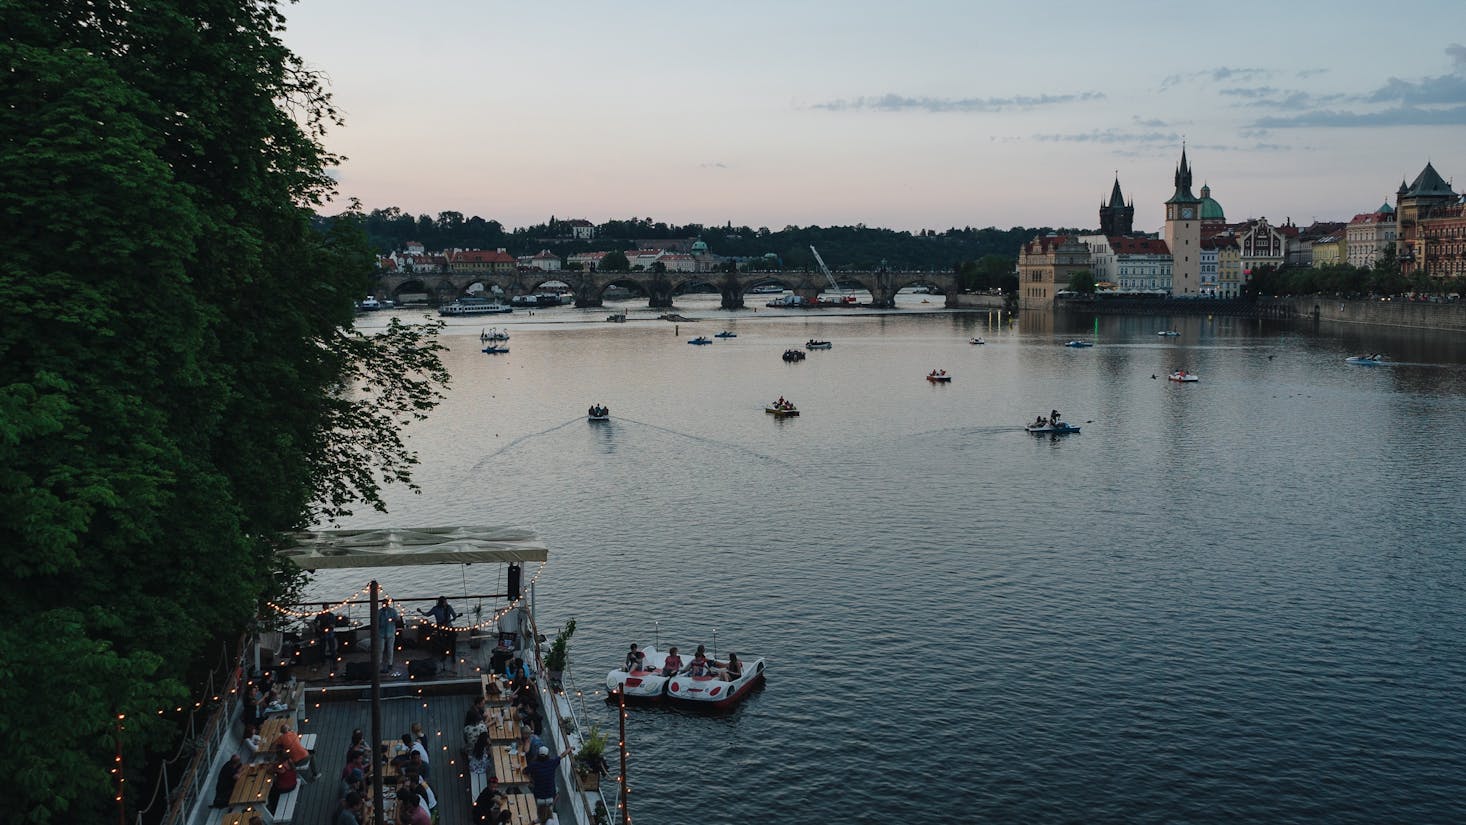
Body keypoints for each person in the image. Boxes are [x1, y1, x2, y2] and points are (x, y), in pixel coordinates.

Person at [526, 745, 574, 824]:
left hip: (538, 796)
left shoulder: (534, 765)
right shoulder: (552, 763)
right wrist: (569, 749)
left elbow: (525, 772)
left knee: (541, 813)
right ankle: (551, 808)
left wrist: (532, 781)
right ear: (548, 755)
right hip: (550, 796)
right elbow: (562, 755)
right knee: (557, 791)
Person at [419, 596, 459, 672]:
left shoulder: (449, 607)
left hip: (449, 627)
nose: (446, 603)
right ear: (442, 602)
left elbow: (454, 615)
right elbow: (427, 614)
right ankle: (444, 656)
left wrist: (454, 618)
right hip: (441, 628)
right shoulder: (435, 609)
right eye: (445, 602)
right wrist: (421, 612)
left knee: (453, 641)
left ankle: (453, 657)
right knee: (443, 643)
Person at [268, 744, 299, 811]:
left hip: (288, 787)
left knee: (271, 793)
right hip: (294, 782)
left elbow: (270, 771)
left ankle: (274, 809)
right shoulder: (289, 760)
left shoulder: (281, 767)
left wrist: (271, 764)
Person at [379, 597, 400, 672]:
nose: (384, 605)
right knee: (380, 649)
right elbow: (377, 622)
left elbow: (397, 619)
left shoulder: (392, 611)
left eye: (386, 604)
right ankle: (379, 663)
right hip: (381, 633)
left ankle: (390, 664)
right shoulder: (379, 612)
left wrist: (393, 619)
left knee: (390, 649)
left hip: (390, 632)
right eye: (383, 604)